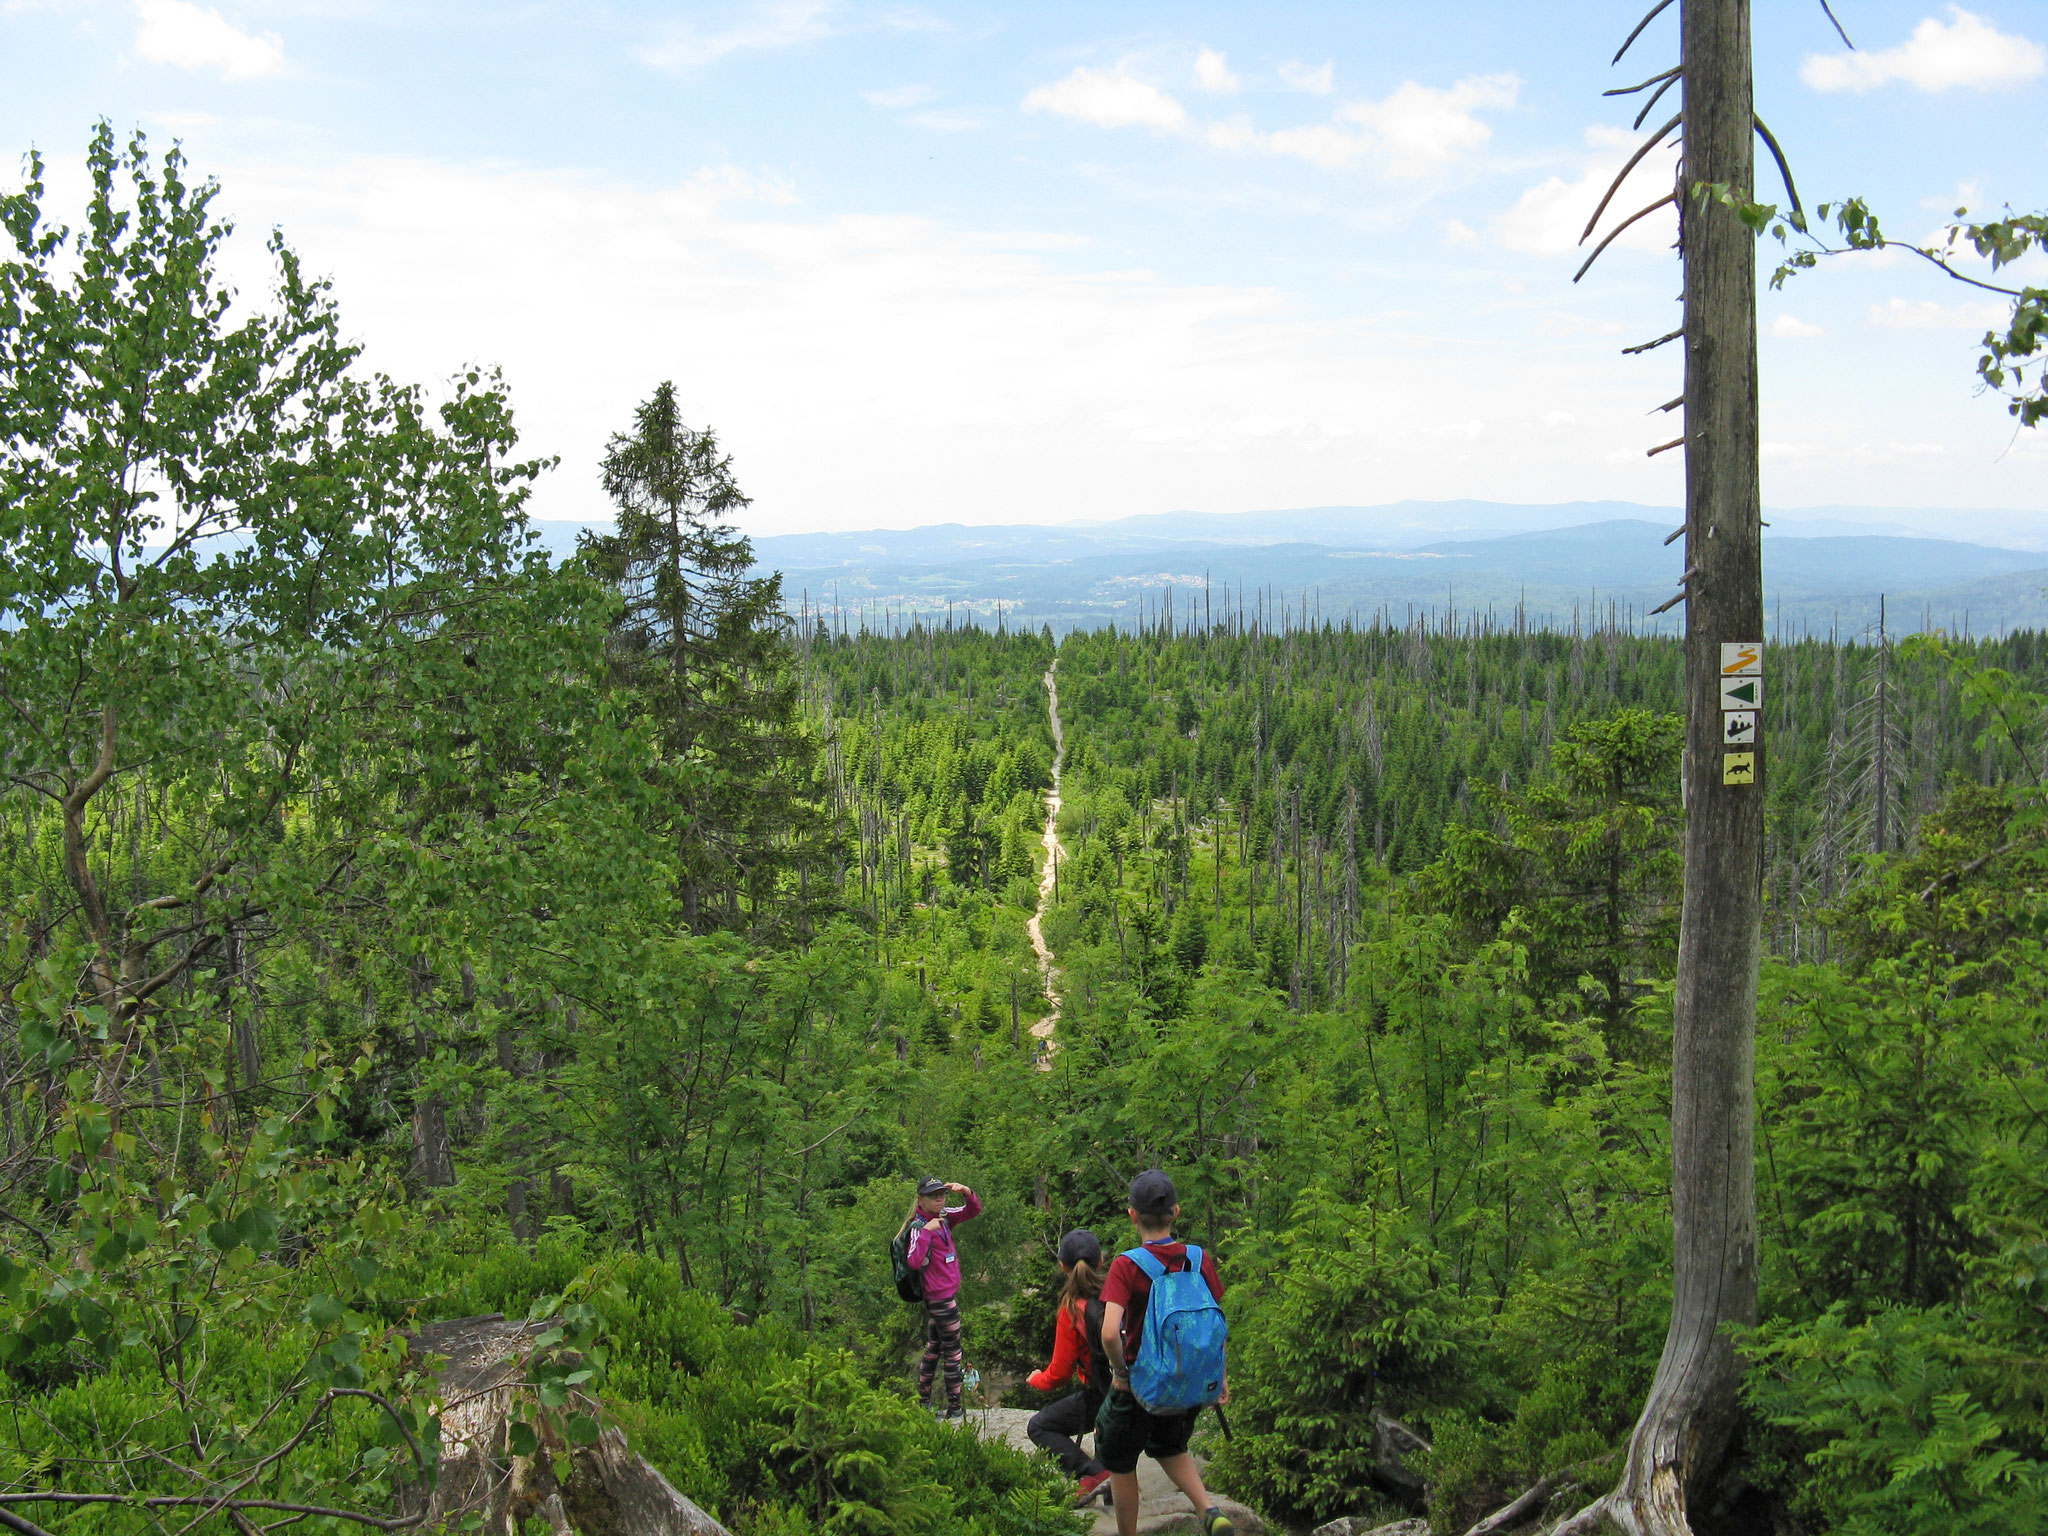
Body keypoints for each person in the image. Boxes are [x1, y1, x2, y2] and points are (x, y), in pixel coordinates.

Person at [1097, 1169, 1233, 1536]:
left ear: (1132, 1215)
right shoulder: (1198, 1258)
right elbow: (1216, 1324)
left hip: (1139, 1386)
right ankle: (1209, 1511)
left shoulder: (1126, 1265)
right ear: (1176, 1212)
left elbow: (1110, 1331)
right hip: (1185, 1384)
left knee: (1121, 1460)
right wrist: (1219, 1377)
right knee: (1169, 1446)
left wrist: (1121, 1372)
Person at [1026, 1229, 1115, 1507]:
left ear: (1062, 1266)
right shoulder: (1116, 1293)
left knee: (1039, 1427)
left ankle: (1093, 1473)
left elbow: (1059, 1374)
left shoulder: (1071, 1309)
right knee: (1107, 1427)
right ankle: (1108, 1482)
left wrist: (1036, 1379)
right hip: (1132, 1391)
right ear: (1101, 1261)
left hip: (1101, 1394)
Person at [906, 1174, 981, 1419]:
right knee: (953, 1352)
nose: (939, 1199)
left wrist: (966, 1192)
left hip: (944, 1295)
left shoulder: (945, 1216)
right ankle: (955, 1408)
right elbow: (914, 1261)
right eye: (933, 1196)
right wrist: (927, 1231)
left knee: (934, 1348)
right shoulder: (919, 1226)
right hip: (940, 1299)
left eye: (941, 1194)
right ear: (921, 1199)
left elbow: (973, 1211)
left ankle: (923, 1402)